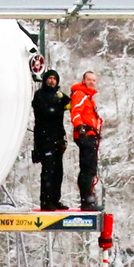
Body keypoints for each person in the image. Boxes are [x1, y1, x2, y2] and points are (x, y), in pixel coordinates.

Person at [31, 69, 70, 210]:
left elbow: (70, 104)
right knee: (48, 171)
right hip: (44, 138)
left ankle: (55, 199)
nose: (52, 81)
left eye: (54, 79)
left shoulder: (58, 95)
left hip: (58, 137)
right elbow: (47, 113)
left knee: (58, 171)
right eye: (50, 78)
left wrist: (63, 99)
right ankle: (46, 201)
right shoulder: (40, 95)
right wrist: (59, 105)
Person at [70, 69, 103, 210]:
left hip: (91, 135)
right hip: (86, 135)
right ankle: (86, 200)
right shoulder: (80, 94)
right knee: (88, 168)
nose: (91, 82)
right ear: (84, 80)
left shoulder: (89, 98)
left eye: (94, 80)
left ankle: (88, 198)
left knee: (90, 168)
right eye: (89, 79)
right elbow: (75, 111)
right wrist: (80, 128)